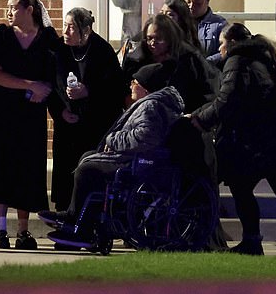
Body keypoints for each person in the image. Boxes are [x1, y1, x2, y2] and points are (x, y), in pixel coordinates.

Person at [188, 23, 276, 256]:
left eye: (222, 43)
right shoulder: (264, 58)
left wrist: (200, 119)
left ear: (233, 43)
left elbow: (227, 99)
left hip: (259, 143)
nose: (221, 49)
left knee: (241, 188)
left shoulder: (238, 61)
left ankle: (252, 240)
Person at [39, 61, 182, 246]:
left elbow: (145, 138)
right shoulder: (149, 104)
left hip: (136, 164)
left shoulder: (151, 106)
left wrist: (113, 140)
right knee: (86, 157)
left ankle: (80, 226)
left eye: (135, 83)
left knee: (87, 170)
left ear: (146, 89)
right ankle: (76, 216)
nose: (130, 85)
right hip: (133, 159)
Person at [0, 0, 57, 250]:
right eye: (8, 7)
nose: (9, 11)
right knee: (1, 166)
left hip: (31, 115)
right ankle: (2, 229)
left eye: (14, 7)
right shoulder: (2, 35)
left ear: (30, 10)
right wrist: (29, 85)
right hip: (2, 112)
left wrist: (44, 89)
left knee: (27, 169)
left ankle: (23, 231)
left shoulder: (47, 37)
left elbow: (54, 71)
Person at [48, 7, 126, 214]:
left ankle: (87, 219)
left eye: (71, 27)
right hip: (67, 125)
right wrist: (60, 111)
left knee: (89, 174)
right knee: (65, 176)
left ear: (86, 30)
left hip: (93, 126)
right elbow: (50, 86)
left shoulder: (102, 51)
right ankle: (64, 219)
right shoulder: (59, 49)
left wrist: (89, 91)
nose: (65, 31)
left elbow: (115, 89)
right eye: (65, 25)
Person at [122, 13, 219, 114]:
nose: (152, 43)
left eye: (158, 39)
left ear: (169, 38)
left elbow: (206, 92)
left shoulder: (189, 59)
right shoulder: (136, 60)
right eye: (149, 38)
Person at [184, 0, 227, 64]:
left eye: (198, 3)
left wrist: (205, 63)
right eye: (188, 2)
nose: (191, 6)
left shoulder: (220, 25)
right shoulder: (177, 22)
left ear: (208, 0)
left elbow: (226, 51)